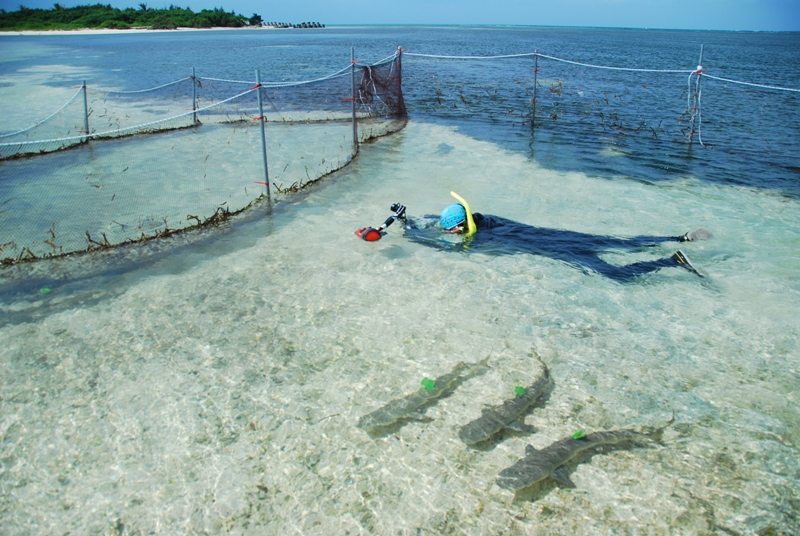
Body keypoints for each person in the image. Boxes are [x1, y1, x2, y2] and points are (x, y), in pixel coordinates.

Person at [402, 191, 711, 283]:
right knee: (618, 241)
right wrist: (422, 219)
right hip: (558, 236)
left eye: (451, 229)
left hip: (556, 250)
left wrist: (410, 233)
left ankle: (671, 261)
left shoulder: (476, 240)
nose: (450, 233)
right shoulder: (489, 219)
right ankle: (679, 237)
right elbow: (449, 227)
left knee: (618, 276)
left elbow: (447, 247)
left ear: (459, 227)